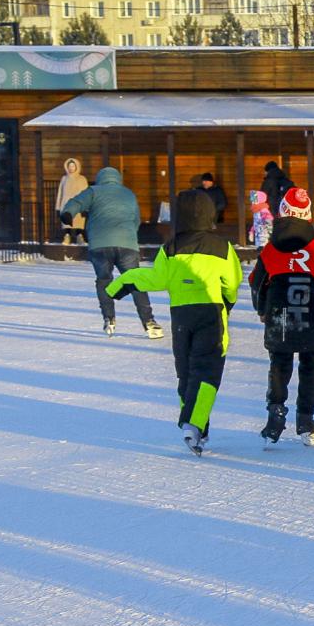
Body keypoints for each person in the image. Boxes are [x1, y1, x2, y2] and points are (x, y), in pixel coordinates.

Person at [105, 190, 242, 454]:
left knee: (187, 371)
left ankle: (196, 428)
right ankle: (194, 423)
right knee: (207, 371)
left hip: (181, 316)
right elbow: (232, 283)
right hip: (211, 314)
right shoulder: (222, 247)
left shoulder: (171, 247)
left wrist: (122, 283)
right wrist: (228, 303)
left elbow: (156, 279)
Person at [249, 186, 314, 446]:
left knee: (279, 363)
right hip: (311, 317)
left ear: (283, 212)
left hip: (279, 318)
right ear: (308, 214)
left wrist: (261, 310)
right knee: (310, 363)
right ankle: (306, 420)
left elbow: (256, 282)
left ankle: (276, 411)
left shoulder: (271, 249)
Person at [64, 165, 161, 339]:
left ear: (101, 178)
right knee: (136, 282)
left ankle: (109, 319)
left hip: (100, 246)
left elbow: (76, 203)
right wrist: (129, 235)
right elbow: (136, 220)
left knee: (104, 281)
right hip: (127, 245)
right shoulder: (128, 194)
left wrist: (67, 213)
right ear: (118, 179)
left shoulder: (94, 191)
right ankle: (149, 322)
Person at [54, 157, 88, 246]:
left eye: (73, 166)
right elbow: (60, 193)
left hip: (78, 204)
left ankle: (79, 236)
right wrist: (58, 207)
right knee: (67, 222)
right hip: (66, 204)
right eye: (69, 166)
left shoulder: (82, 179)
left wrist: (86, 207)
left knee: (79, 222)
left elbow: (86, 194)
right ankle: (67, 236)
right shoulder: (64, 179)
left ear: (77, 167)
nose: (71, 168)